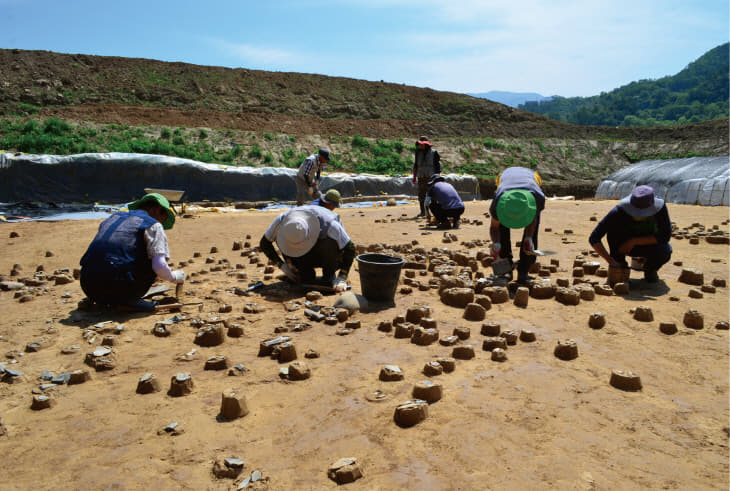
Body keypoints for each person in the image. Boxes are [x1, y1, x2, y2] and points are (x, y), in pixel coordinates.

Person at [80, 193, 185, 311]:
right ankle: (128, 300)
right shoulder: (153, 225)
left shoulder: (114, 218)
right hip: (120, 286)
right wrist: (174, 277)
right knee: (153, 256)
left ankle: (105, 299)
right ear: (157, 209)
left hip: (88, 285)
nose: (162, 222)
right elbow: (159, 266)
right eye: (164, 217)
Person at [259, 205, 356, 292]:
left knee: (329, 242)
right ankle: (304, 273)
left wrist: (342, 276)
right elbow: (264, 243)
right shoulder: (281, 220)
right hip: (304, 257)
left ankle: (328, 275)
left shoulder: (329, 225)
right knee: (305, 278)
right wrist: (281, 265)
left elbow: (350, 248)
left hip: (327, 254)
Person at [589, 185, 672, 283]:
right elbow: (594, 237)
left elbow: (665, 236)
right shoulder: (618, 212)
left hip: (646, 244)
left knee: (665, 251)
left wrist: (634, 241)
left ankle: (650, 269)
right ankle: (619, 263)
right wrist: (611, 261)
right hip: (622, 246)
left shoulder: (660, 210)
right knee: (613, 231)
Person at [489, 166, 545, 283]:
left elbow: (533, 220)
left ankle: (523, 271)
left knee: (530, 239)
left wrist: (529, 237)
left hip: (531, 179)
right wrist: (496, 243)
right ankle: (505, 270)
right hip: (505, 179)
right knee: (502, 229)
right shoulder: (498, 204)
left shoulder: (537, 199)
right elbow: (495, 227)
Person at [412, 136, 441, 218]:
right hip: (421, 176)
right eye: (420, 144)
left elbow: (437, 165)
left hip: (431, 177)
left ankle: (434, 212)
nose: (421, 146)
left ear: (426, 144)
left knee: (432, 194)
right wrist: (414, 177)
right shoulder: (418, 153)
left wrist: (438, 177)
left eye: (423, 144)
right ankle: (423, 211)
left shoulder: (434, 153)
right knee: (421, 194)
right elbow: (416, 166)